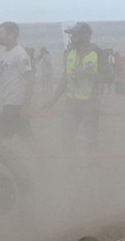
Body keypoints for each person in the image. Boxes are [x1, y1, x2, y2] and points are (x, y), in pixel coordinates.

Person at [45, 22, 105, 159]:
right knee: (67, 138)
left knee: (91, 140)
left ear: (86, 35)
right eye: (71, 35)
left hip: (90, 103)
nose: (71, 37)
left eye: (75, 35)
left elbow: (109, 77)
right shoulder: (68, 52)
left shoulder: (98, 52)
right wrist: (53, 100)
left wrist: (87, 74)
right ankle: (70, 166)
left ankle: (93, 166)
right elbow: (65, 78)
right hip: (71, 103)